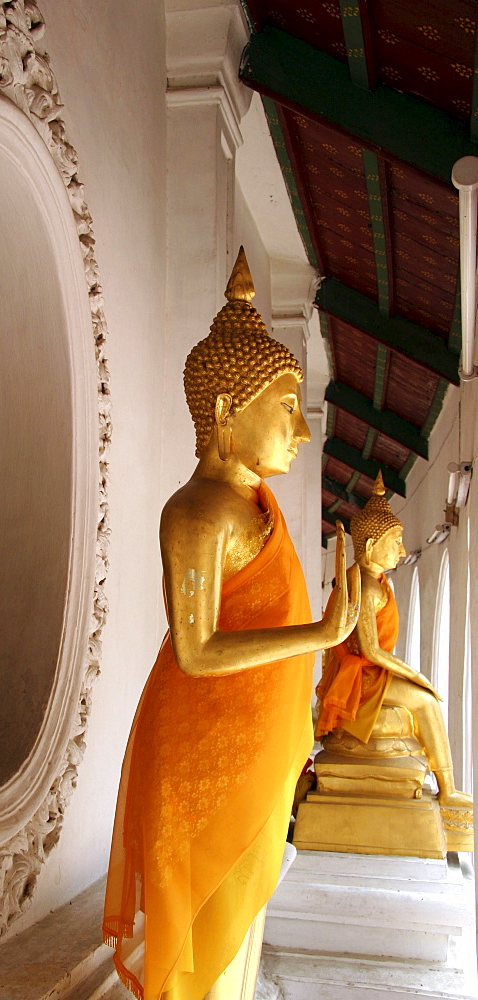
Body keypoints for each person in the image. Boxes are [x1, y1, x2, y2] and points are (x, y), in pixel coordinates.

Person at [103, 249, 360, 1000]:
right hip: (195, 755)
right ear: (224, 411)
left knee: (242, 940)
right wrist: (318, 636)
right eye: (285, 408)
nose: (301, 431)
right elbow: (197, 650)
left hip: (250, 751)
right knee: (205, 955)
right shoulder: (194, 514)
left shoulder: (256, 512)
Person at [315, 472, 471, 810]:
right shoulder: (365, 586)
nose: (401, 550)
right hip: (363, 678)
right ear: (371, 546)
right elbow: (371, 650)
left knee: (422, 701)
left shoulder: (374, 580)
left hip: (371, 671)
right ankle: (448, 788)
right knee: (427, 702)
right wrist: (416, 676)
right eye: (395, 541)